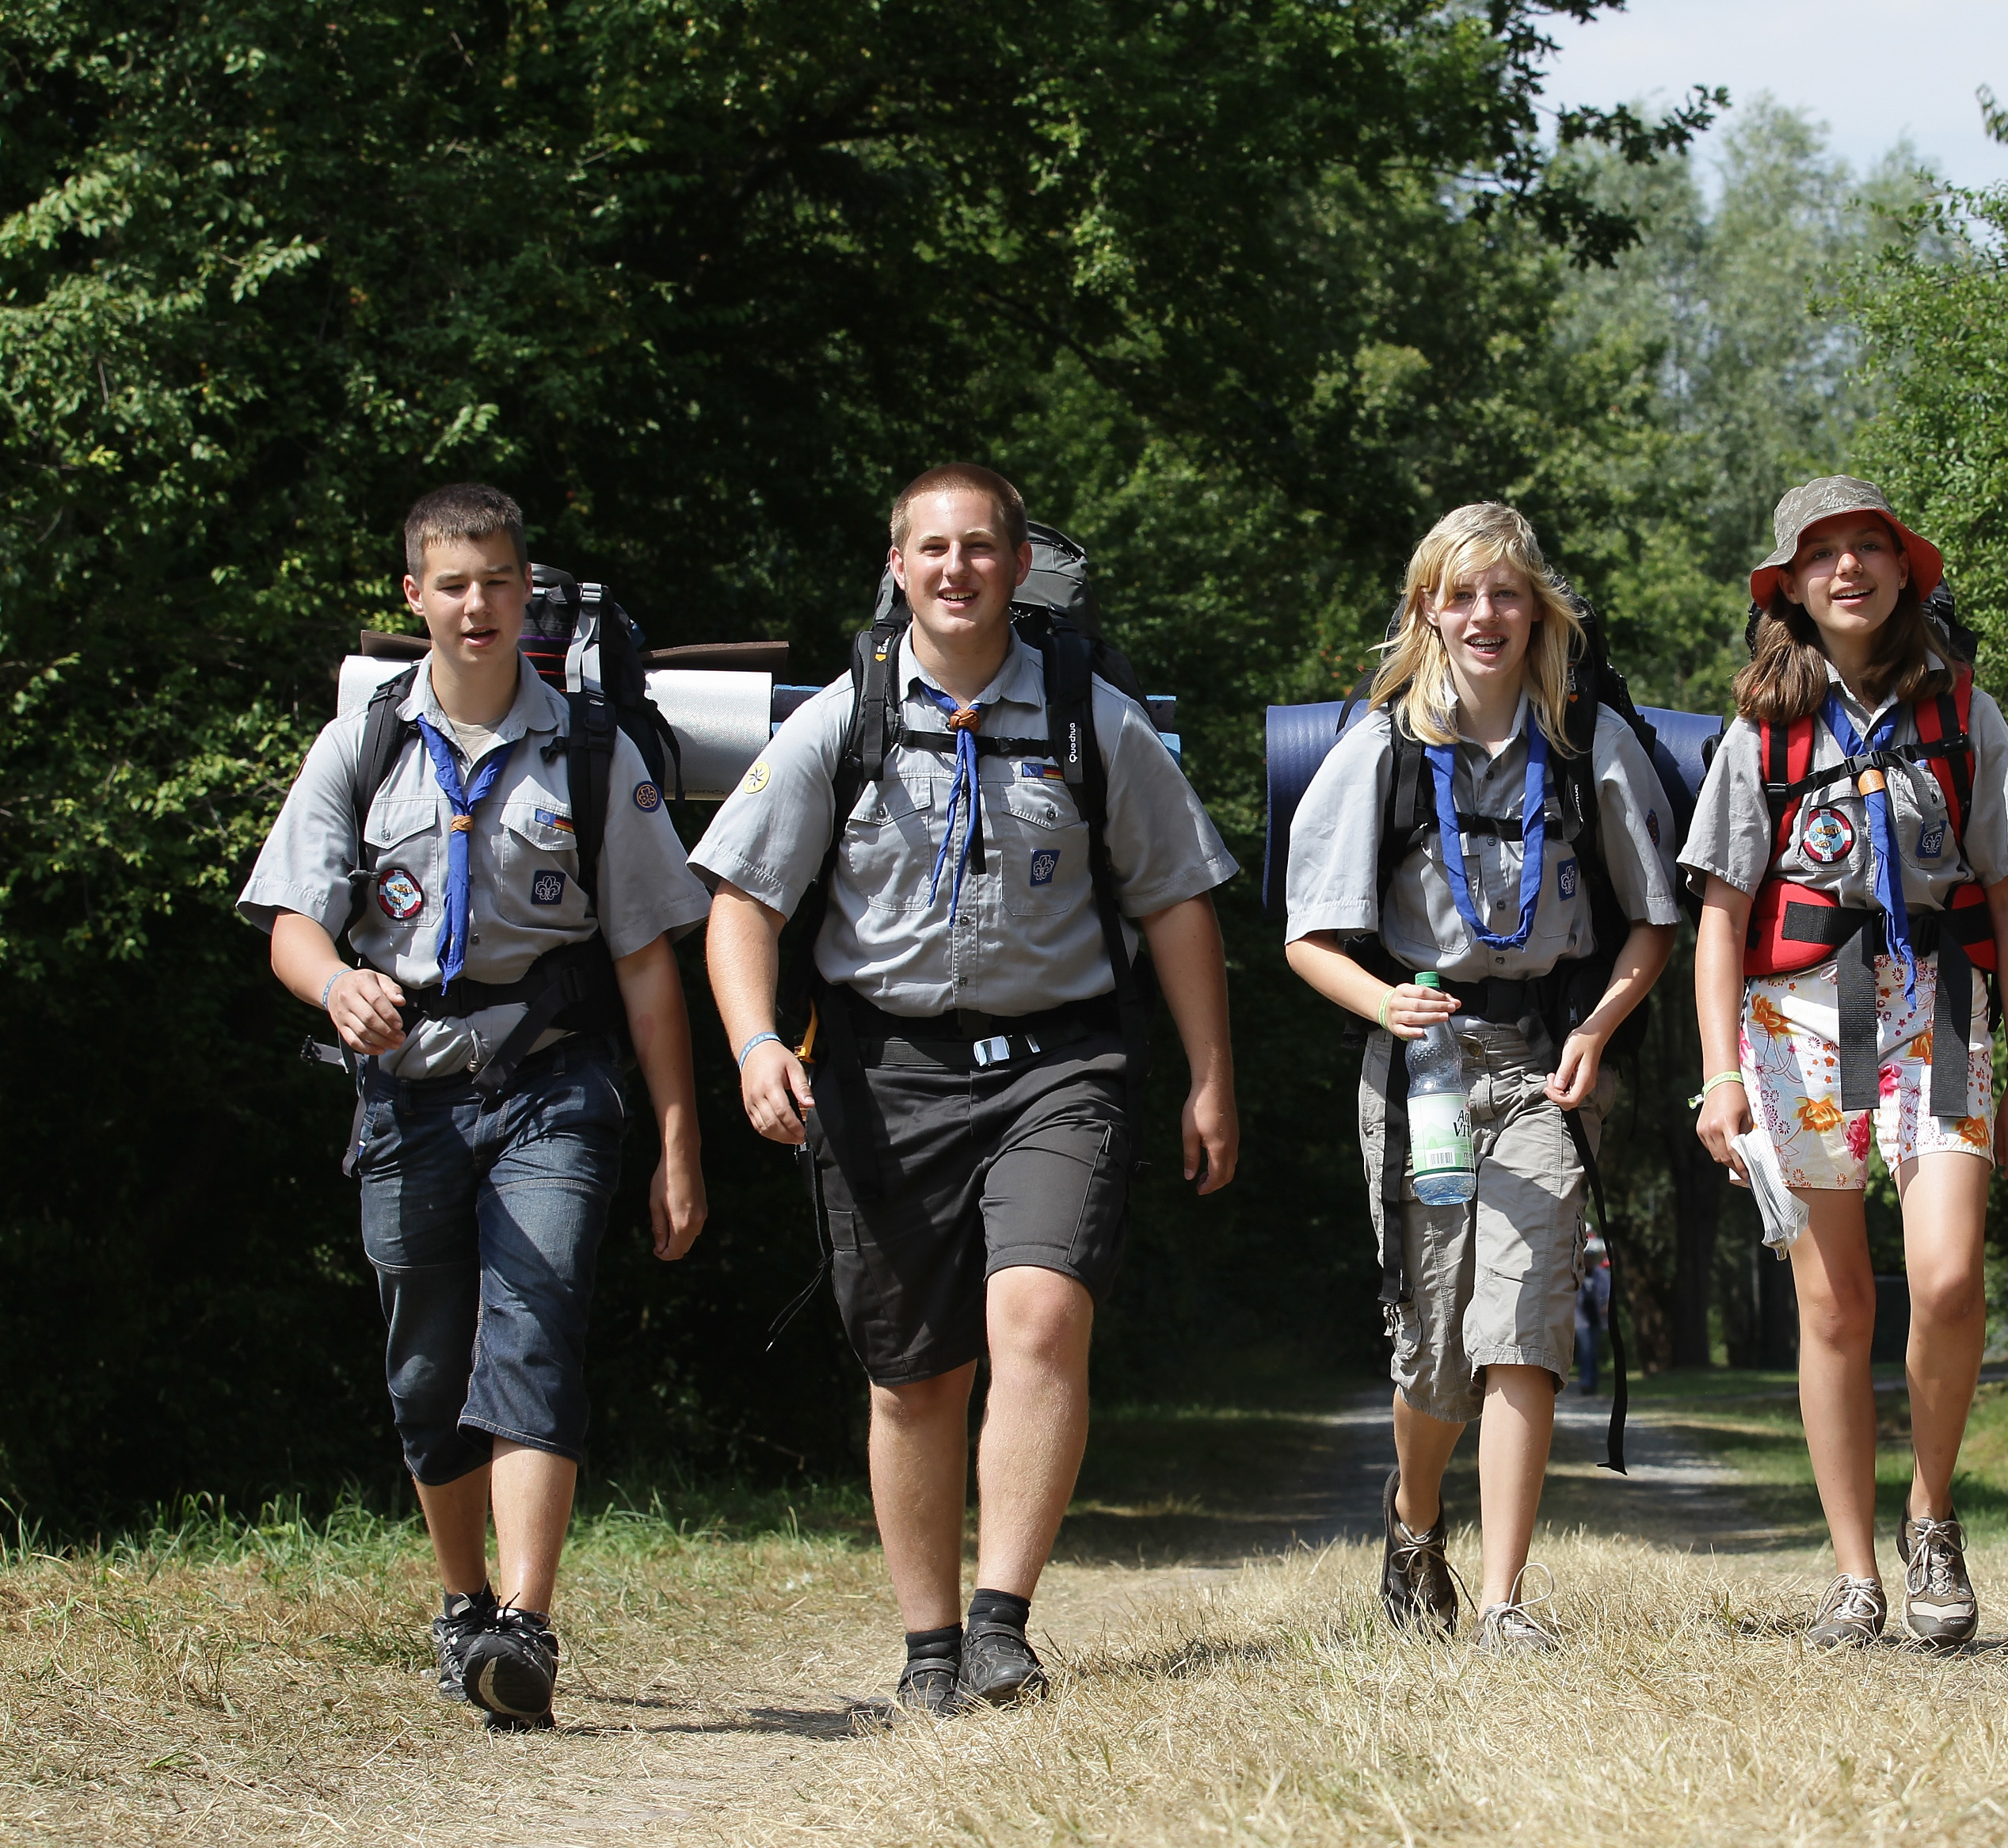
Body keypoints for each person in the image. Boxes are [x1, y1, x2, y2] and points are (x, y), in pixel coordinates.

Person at [695, 463, 1240, 1717]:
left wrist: (1211, 1078)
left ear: (1015, 566)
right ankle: (929, 1645)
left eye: (980, 547)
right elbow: (742, 904)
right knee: (912, 1376)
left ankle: (1001, 1625)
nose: (956, 569)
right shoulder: (844, 718)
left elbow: (1175, 902)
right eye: (932, 549)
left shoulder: (1094, 720)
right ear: (899, 567)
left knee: (1041, 1320)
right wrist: (753, 1043)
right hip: (885, 1076)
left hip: (1063, 1064)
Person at [240, 483, 711, 1731]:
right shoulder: (366, 743)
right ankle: (461, 1607)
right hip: (405, 1094)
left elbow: (647, 963)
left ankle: (526, 1624)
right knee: (422, 1367)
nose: (476, 604)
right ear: (415, 598)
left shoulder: (595, 751)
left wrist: (678, 1136)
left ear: (524, 593)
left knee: (537, 1321)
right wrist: (336, 980)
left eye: (497, 581)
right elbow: (290, 919)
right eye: (452, 583)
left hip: (554, 1081)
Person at [1283, 503, 1678, 1655]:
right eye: (1461, 595)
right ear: (1427, 611)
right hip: (1425, 1071)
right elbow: (1309, 939)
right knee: (1437, 1347)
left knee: (1527, 1326)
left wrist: (1598, 1031)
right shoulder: (1382, 753)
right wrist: (1385, 1003)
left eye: (1506, 593)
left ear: (1538, 611)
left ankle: (1504, 1599)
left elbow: (1655, 924)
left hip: (1545, 1067)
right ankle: (1415, 1523)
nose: (1484, 615)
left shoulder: (1585, 746)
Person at [1685, 477, 2008, 1651]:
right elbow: (1718, 911)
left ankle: (1932, 1513)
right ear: (1790, 586)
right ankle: (1853, 1573)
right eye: (1823, 554)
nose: (1849, 569)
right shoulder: (1760, 734)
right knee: (1835, 1306)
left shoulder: (1963, 714)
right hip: (1795, 1022)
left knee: (1946, 1278)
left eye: (1870, 548)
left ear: (1906, 573)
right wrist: (1718, 1076)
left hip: (1938, 1007)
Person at [1573, 1237, 1613, 1395]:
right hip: (1581, 1320)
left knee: (1592, 1351)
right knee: (1586, 1350)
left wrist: (1606, 1306)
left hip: (1597, 1318)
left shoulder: (1601, 1275)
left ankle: (1593, 1382)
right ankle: (1586, 1382)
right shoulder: (1576, 1273)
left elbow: (1609, 1294)